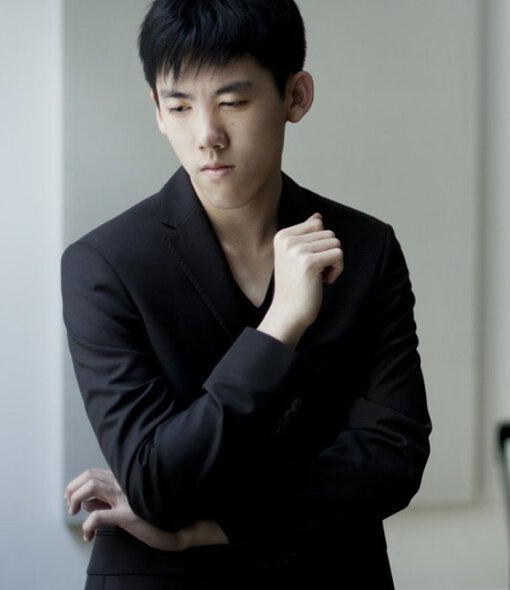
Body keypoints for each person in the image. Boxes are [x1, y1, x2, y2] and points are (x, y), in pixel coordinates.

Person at [60, 1, 431, 588]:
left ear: (296, 96)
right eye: (180, 105)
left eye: (233, 102)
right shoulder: (103, 266)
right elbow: (157, 484)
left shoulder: (366, 248)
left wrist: (207, 526)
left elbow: (392, 460)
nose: (207, 135)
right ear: (157, 110)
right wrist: (279, 326)